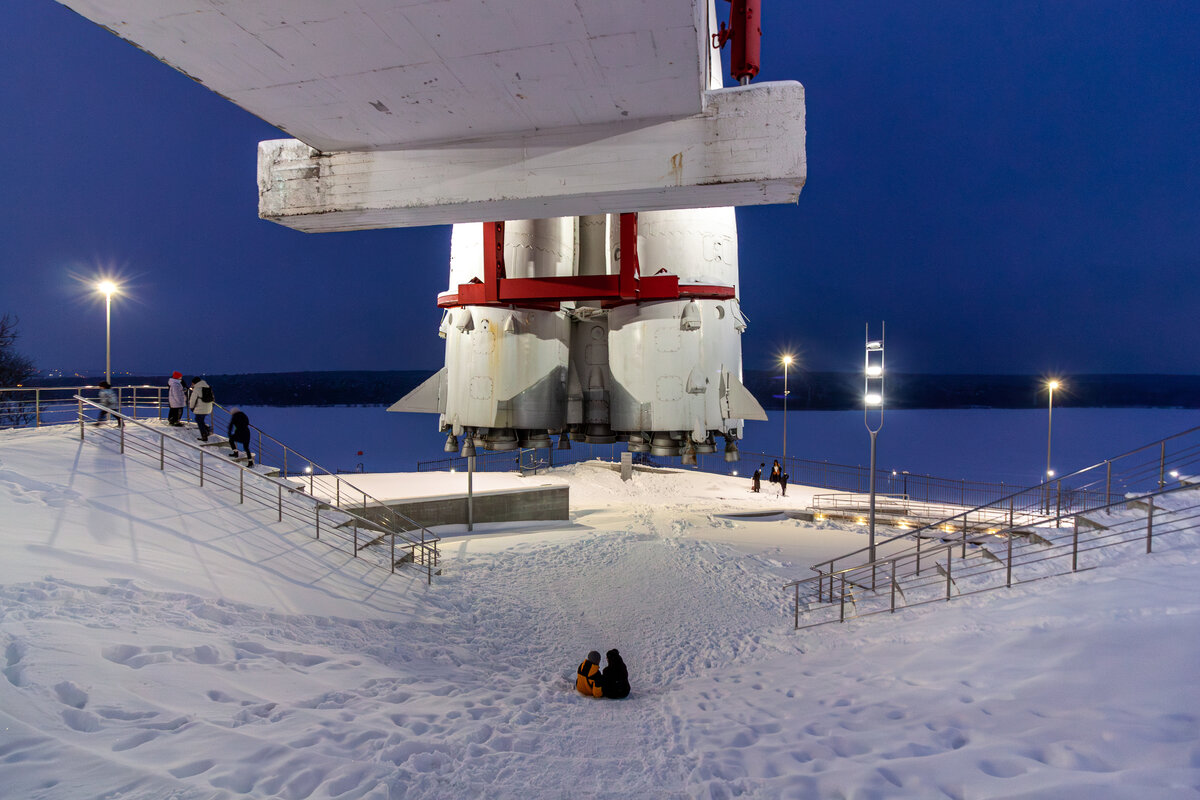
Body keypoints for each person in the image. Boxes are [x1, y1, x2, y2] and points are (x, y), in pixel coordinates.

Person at [189, 376, 214, 441]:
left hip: (200, 408)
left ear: (194, 383)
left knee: (199, 420)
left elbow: (192, 399)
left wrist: (191, 407)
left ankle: (204, 435)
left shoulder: (197, 389)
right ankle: (207, 430)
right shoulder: (207, 386)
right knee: (200, 420)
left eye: (192, 383)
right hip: (208, 407)